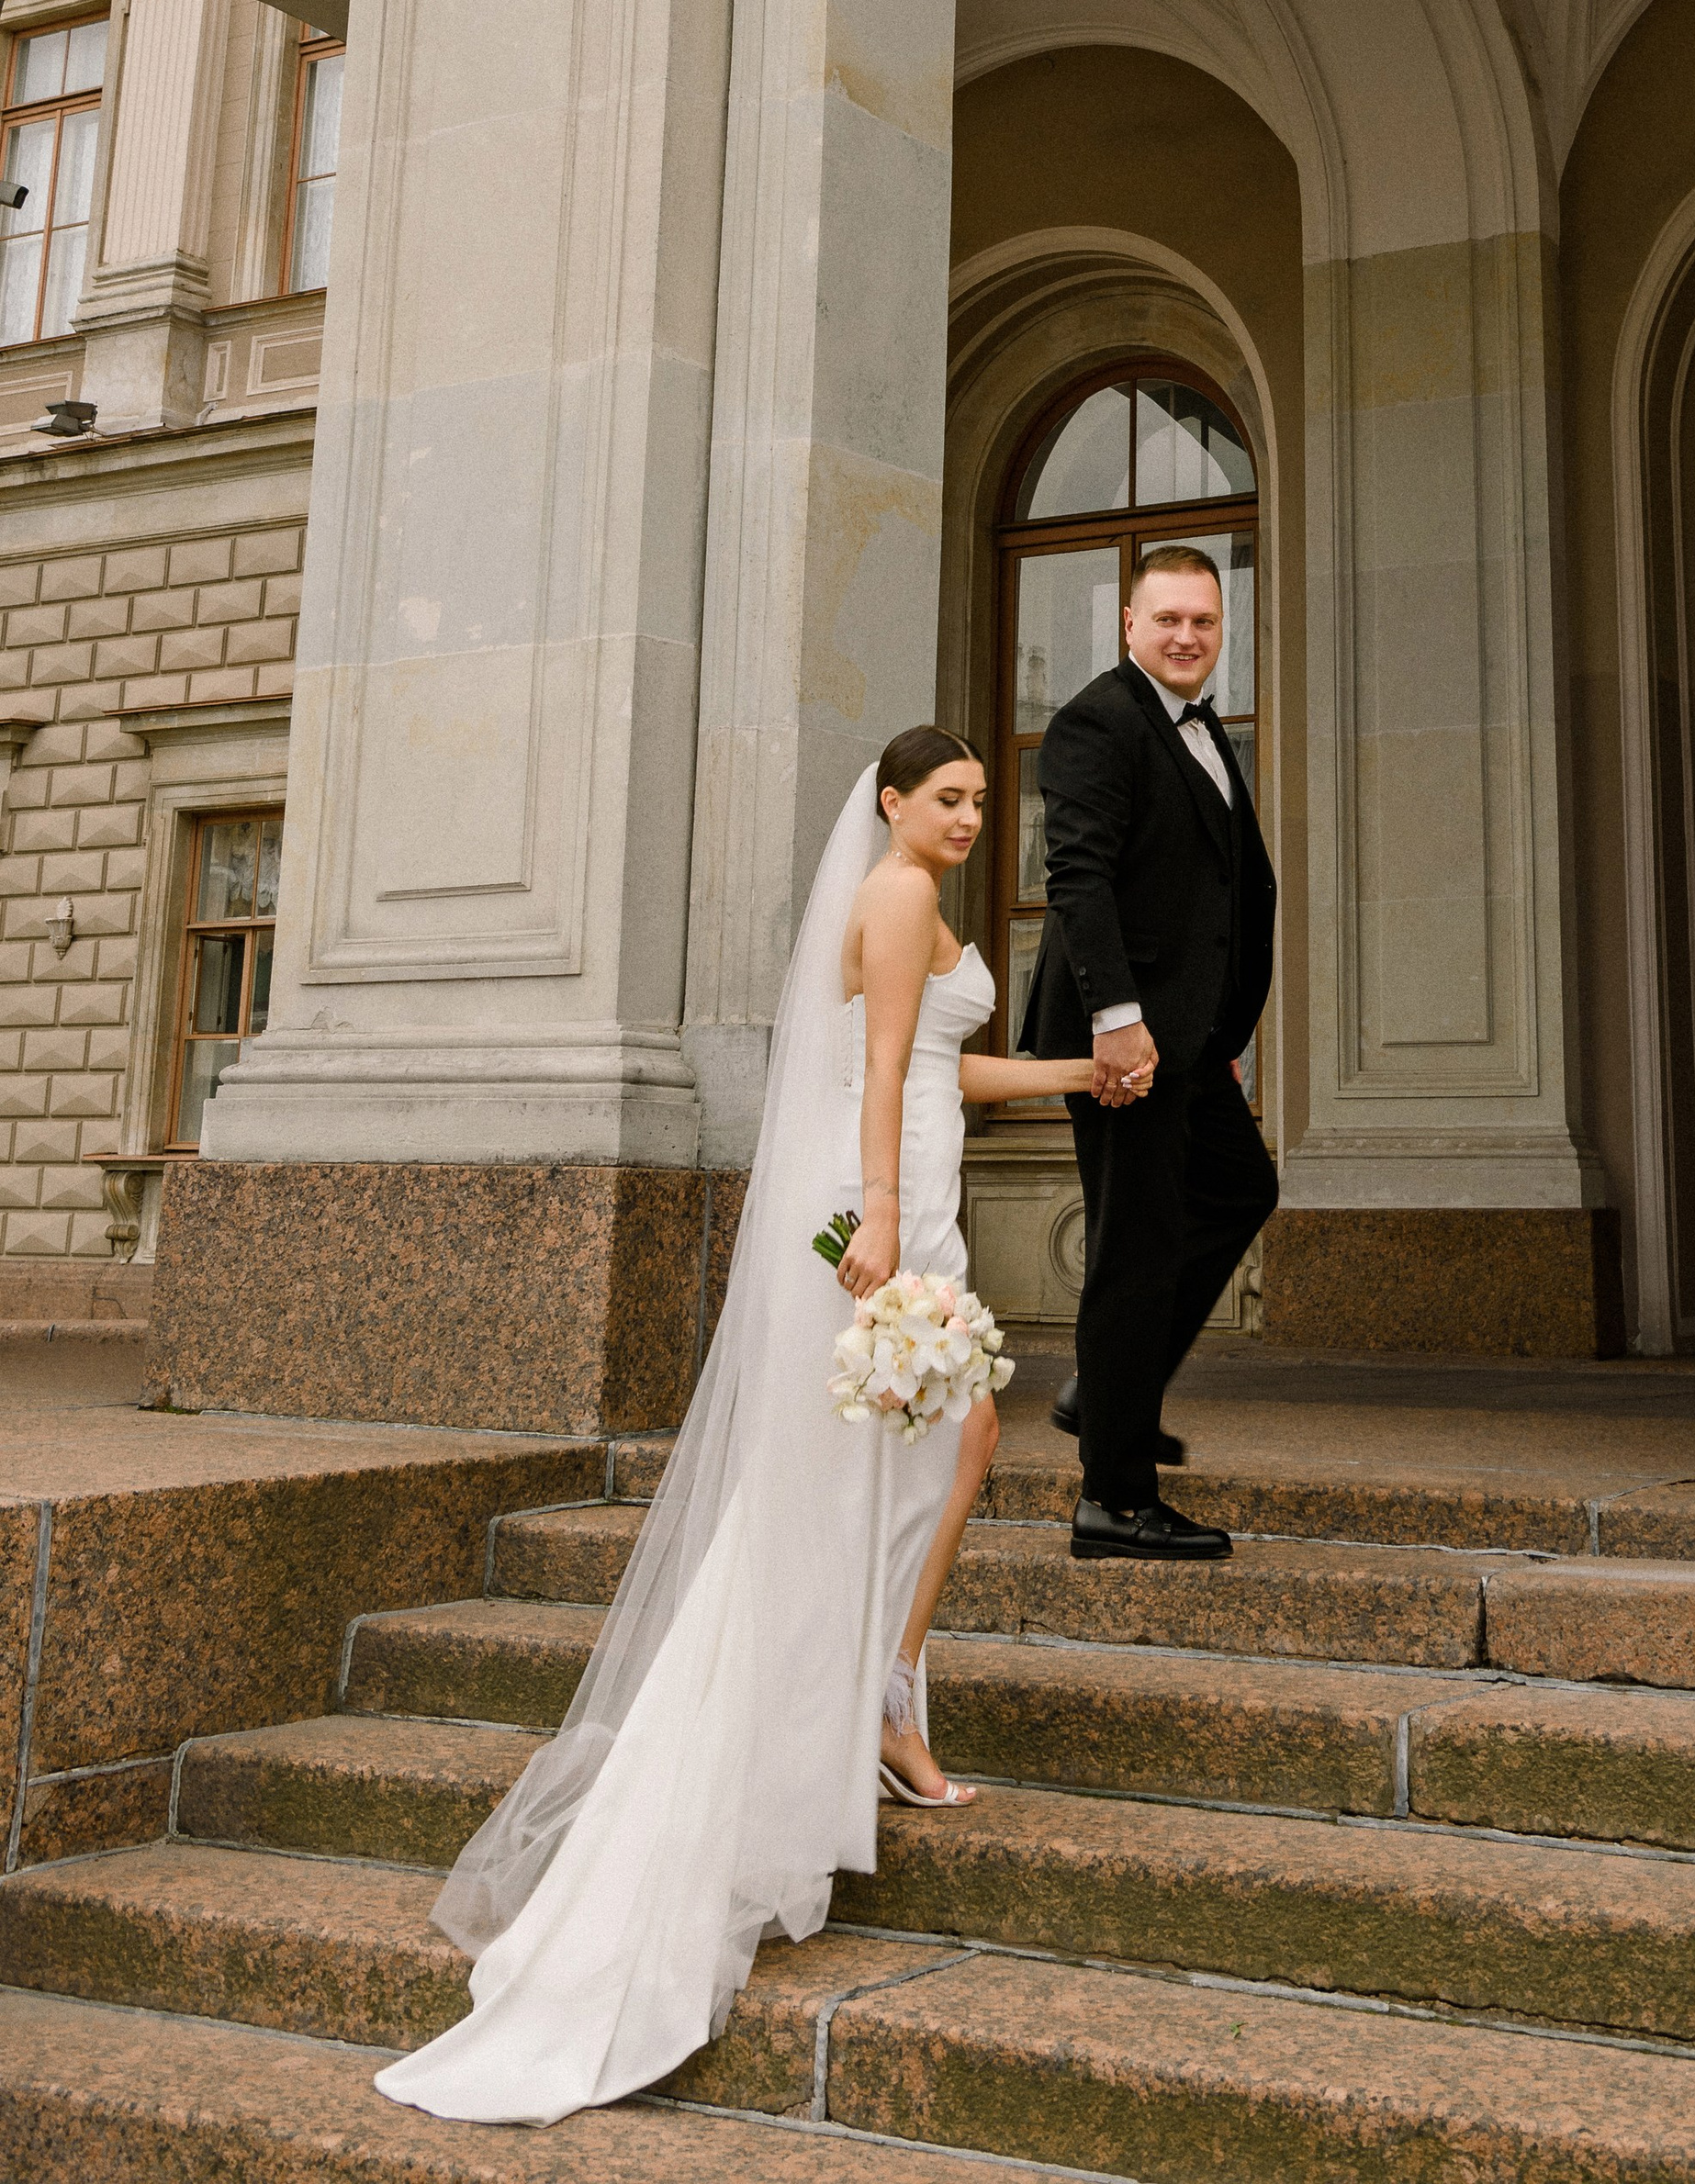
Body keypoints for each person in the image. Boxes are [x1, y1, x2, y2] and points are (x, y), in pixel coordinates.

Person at [373, 724, 1122, 2129]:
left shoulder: (919, 899)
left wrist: (1080, 1077)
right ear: (890, 801)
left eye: (978, 800)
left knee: (930, 1456)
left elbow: (948, 1065)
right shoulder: (895, 891)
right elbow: (886, 1063)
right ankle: (871, 1705)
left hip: (905, 1194)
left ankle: (880, 1691)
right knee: (907, 1463)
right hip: (877, 1211)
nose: (967, 816)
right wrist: (888, 1227)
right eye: (944, 797)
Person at [1020, 543, 1280, 1560]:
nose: (1185, 636)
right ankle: (1112, 1501)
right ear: (1128, 624)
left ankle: (1107, 1387)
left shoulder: (1202, 722)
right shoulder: (1099, 719)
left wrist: (1214, 1037)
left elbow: (1217, 893)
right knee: (1133, 1247)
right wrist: (1116, 1019)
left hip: (1185, 1040)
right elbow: (1077, 876)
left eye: (1204, 623)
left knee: (1237, 1187)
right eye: (1166, 618)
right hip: (1121, 1037)